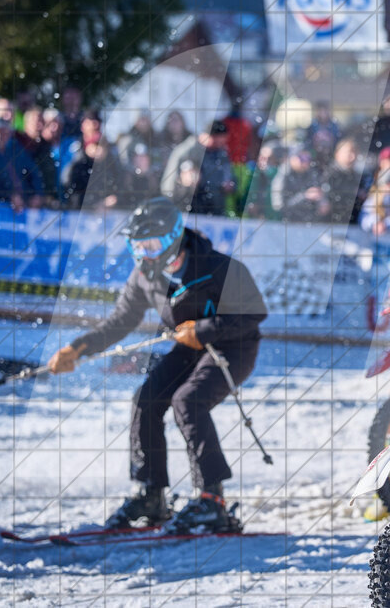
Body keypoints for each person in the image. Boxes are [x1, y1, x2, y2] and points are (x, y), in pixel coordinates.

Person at [46, 198, 267, 533]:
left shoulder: (218, 266)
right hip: (187, 348)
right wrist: (78, 348)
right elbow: (119, 322)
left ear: (173, 238)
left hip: (233, 348)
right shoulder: (145, 276)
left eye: (150, 245)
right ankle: (151, 493)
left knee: (188, 400)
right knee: (146, 398)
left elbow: (253, 315)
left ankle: (212, 500)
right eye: (137, 246)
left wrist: (203, 329)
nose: (144, 253)